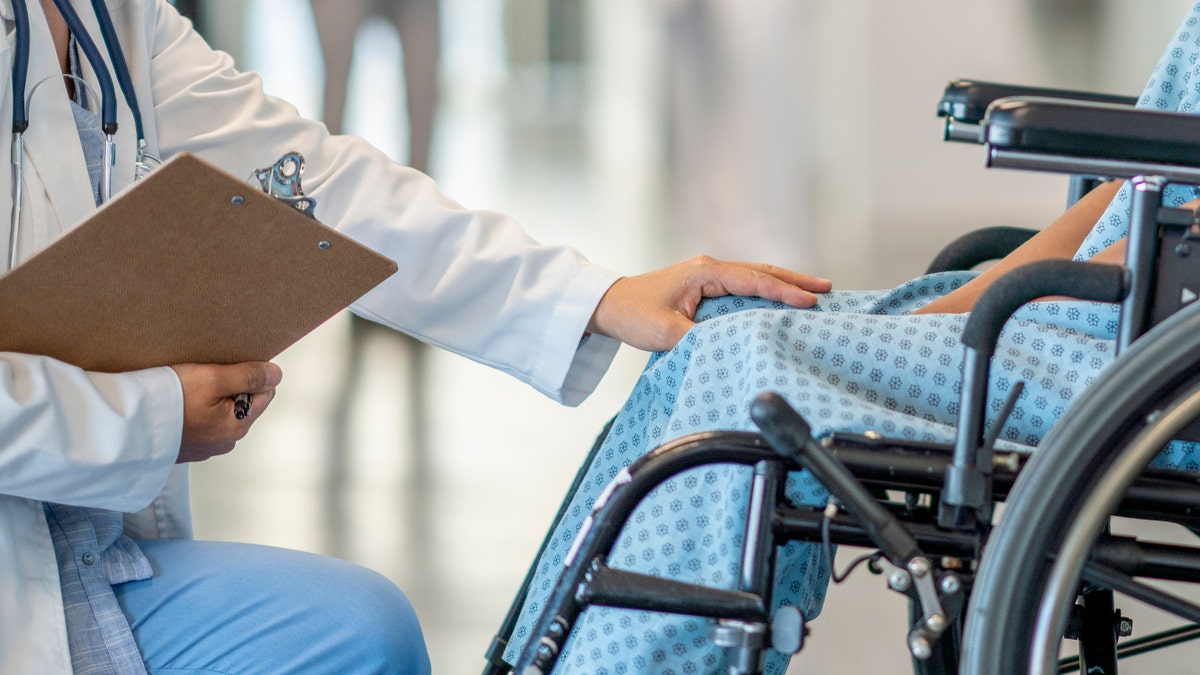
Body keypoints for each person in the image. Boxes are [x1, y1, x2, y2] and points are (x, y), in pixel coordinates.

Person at [0, 1, 834, 673]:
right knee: (363, 634)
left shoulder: (114, 17)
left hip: (76, 543)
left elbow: (312, 181)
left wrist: (596, 296)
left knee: (362, 629)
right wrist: (149, 417)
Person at [504, 3, 1200, 673]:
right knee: (717, 318)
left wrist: (1035, 299)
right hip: (1095, 315)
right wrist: (954, 308)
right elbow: (1129, 185)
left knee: (755, 358)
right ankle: (540, 653)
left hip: (1134, 355)